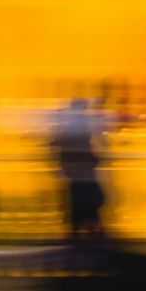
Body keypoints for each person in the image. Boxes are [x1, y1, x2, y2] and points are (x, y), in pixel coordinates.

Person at [49, 97, 109, 243]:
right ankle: (93, 232)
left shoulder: (70, 126)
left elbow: (56, 144)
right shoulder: (82, 125)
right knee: (89, 201)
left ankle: (78, 233)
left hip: (75, 173)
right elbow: (93, 146)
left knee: (79, 201)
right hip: (84, 173)